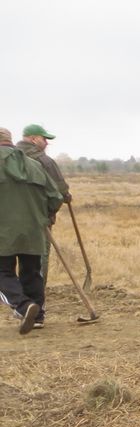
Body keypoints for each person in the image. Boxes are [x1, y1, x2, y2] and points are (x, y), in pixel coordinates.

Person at [0, 127, 61, 334]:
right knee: (32, 272)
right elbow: (55, 197)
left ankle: (24, 307)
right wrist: (43, 216)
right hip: (34, 230)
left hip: (3, 232)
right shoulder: (35, 165)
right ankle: (37, 317)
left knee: (2, 272)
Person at [18, 124, 71, 302]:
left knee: (15, 256)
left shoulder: (10, 157)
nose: (47, 143)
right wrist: (61, 202)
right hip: (39, 219)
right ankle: (36, 298)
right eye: (44, 139)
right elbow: (60, 190)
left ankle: (17, 296)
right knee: (39, 257)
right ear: (34, 139)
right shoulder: (44, 161)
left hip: (11, 219)